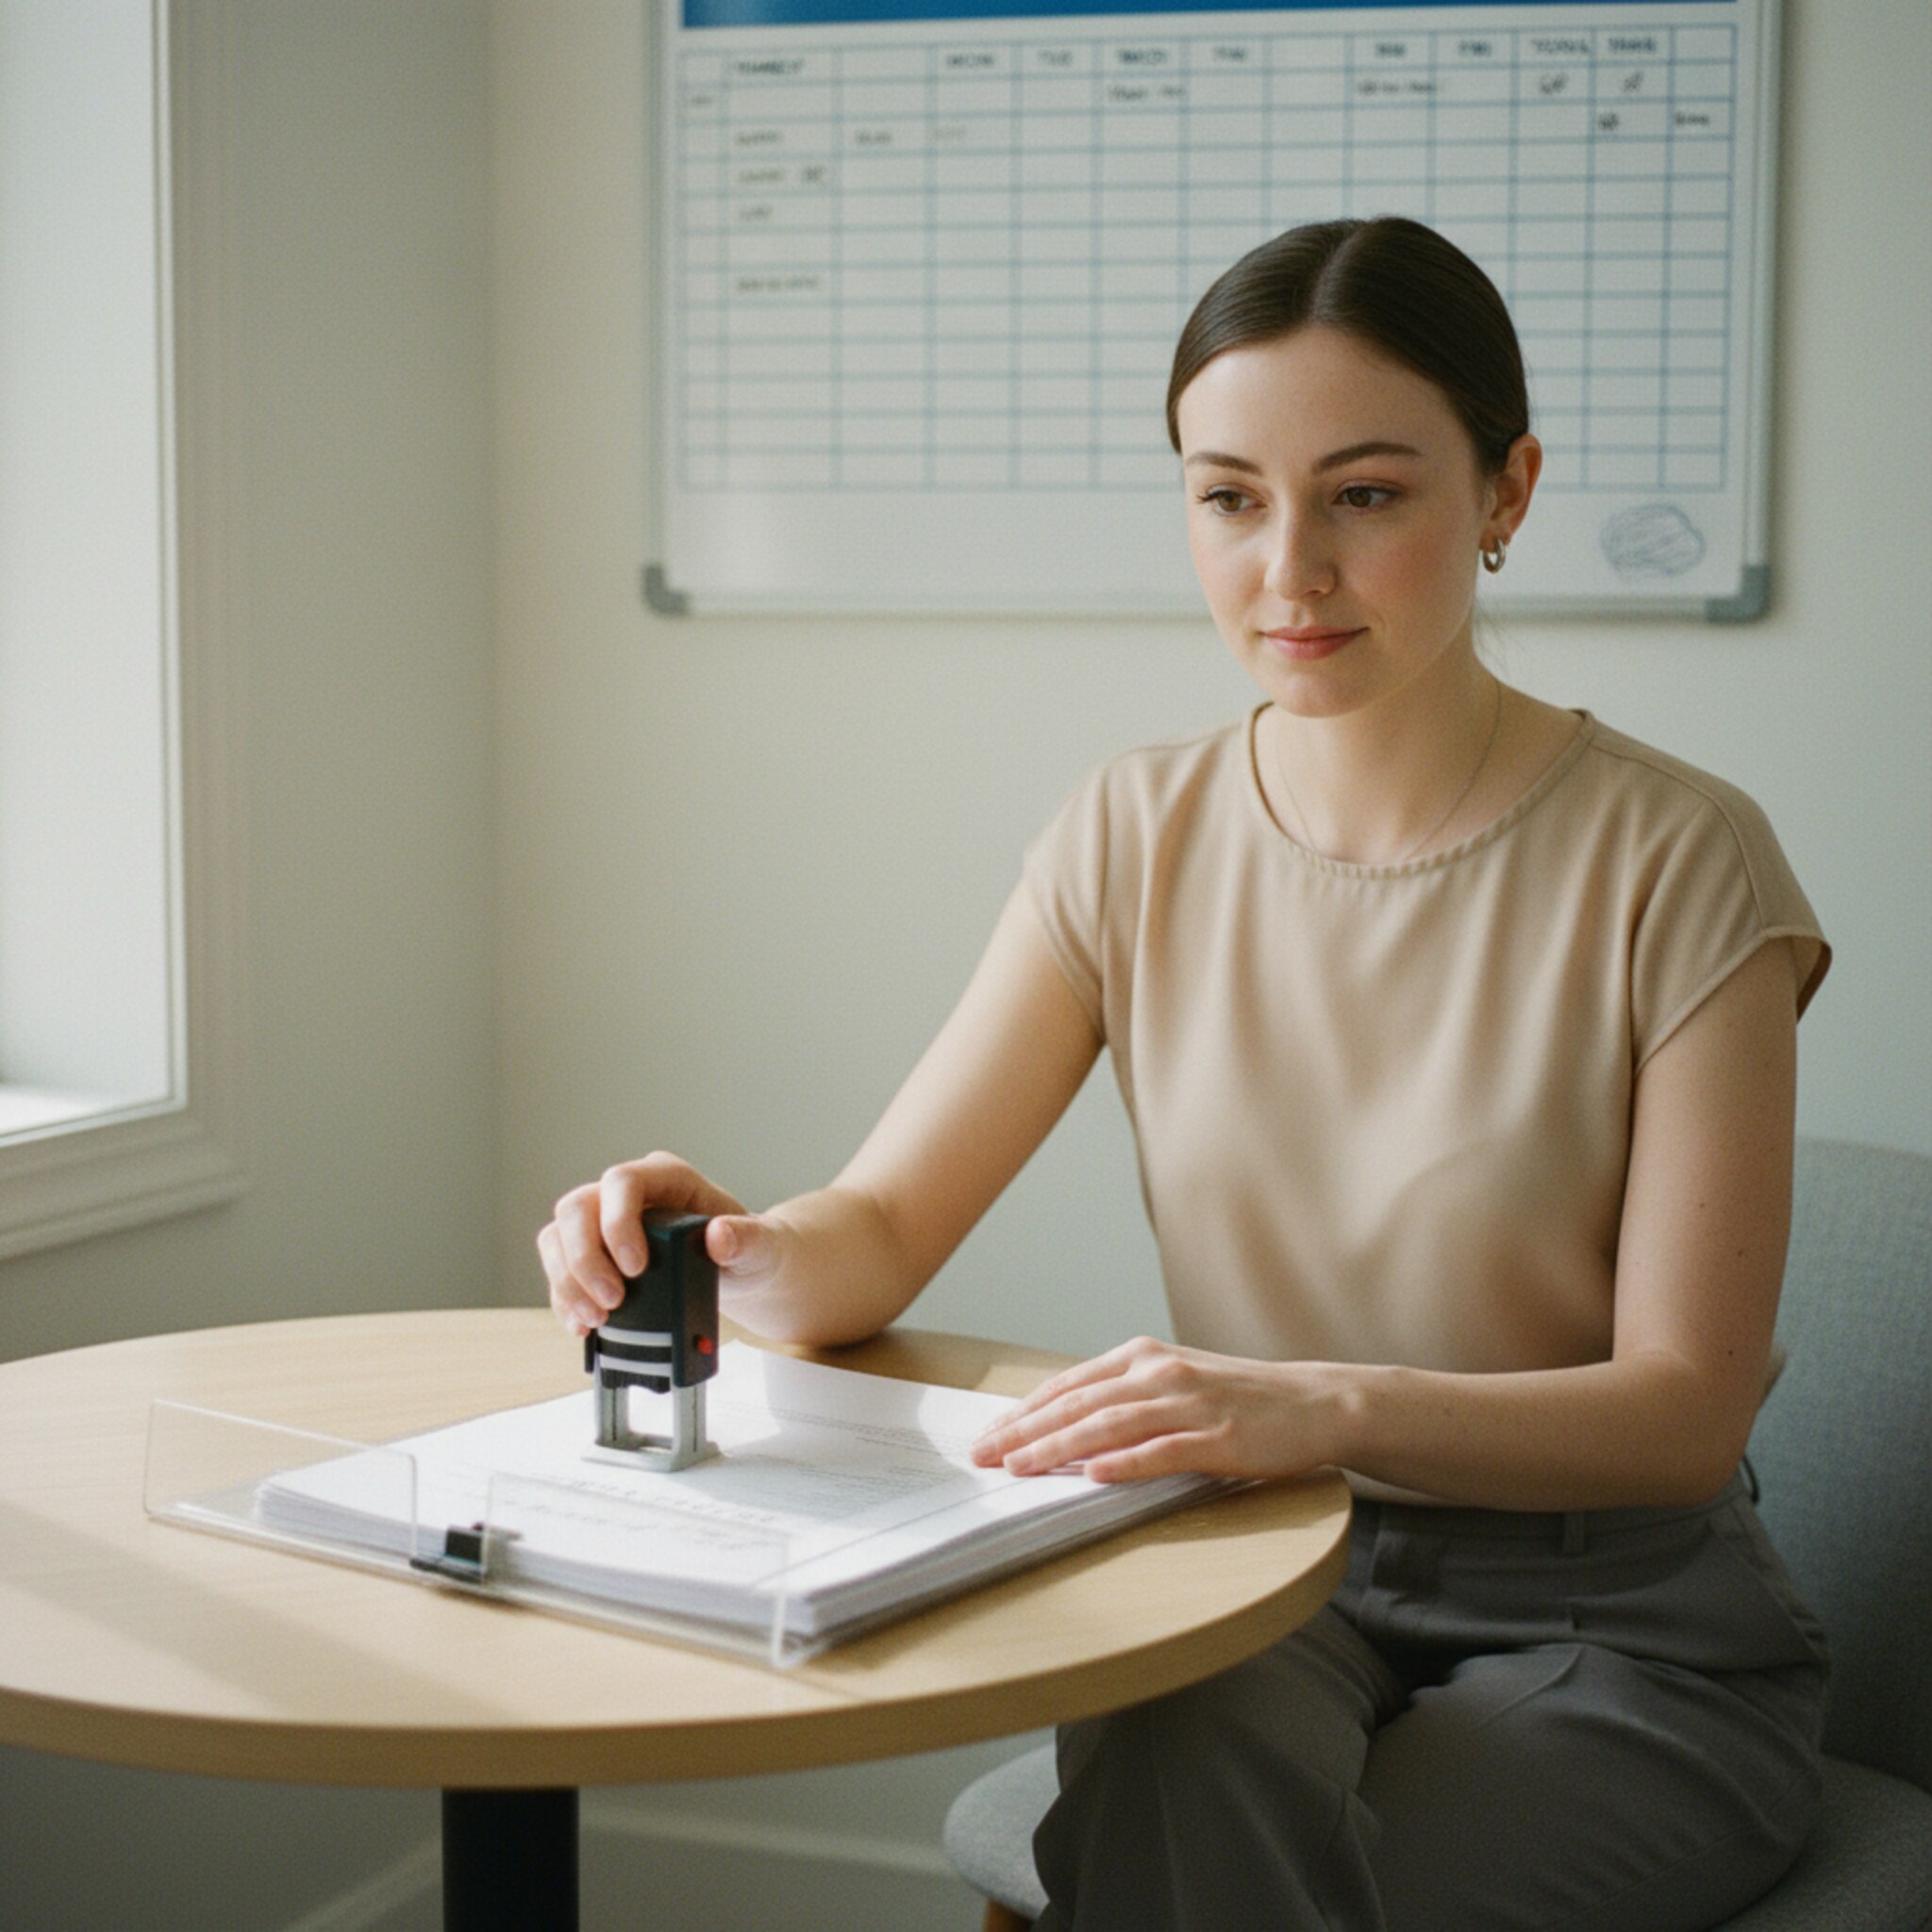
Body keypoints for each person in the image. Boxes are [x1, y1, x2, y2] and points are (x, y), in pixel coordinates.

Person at [538, 217, 1831, 1931]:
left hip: (1622, 1629)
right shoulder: (1129, 834)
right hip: (1255, 1579)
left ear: (1506, 493)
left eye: (1365, 495)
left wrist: (1320, 1403)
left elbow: (1685, 1412)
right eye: (1229, 498)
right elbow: (879, 1229)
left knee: (1280, 1891)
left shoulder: (1684, 863)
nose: (1288, 571)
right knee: (1176, 1777)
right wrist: (731, 1248)